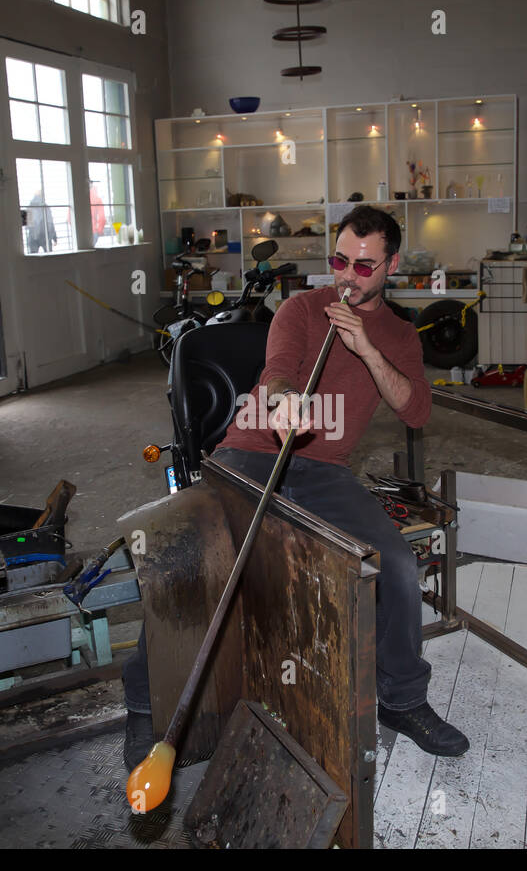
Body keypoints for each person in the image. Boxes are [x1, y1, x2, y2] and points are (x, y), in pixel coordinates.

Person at [122, 204, 469, 769]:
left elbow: (416, 411)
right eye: (339, 261)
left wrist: (368, 349)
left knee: (398, 563)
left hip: (325, 472)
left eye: (363, 266)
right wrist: (284, 401)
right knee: (185, 558)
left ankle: (403, 700)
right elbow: (277, 370)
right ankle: (144, 708)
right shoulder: (302, 308)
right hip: (249, 456)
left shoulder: (400, 335)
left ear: (391, 266)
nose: (347, 277)